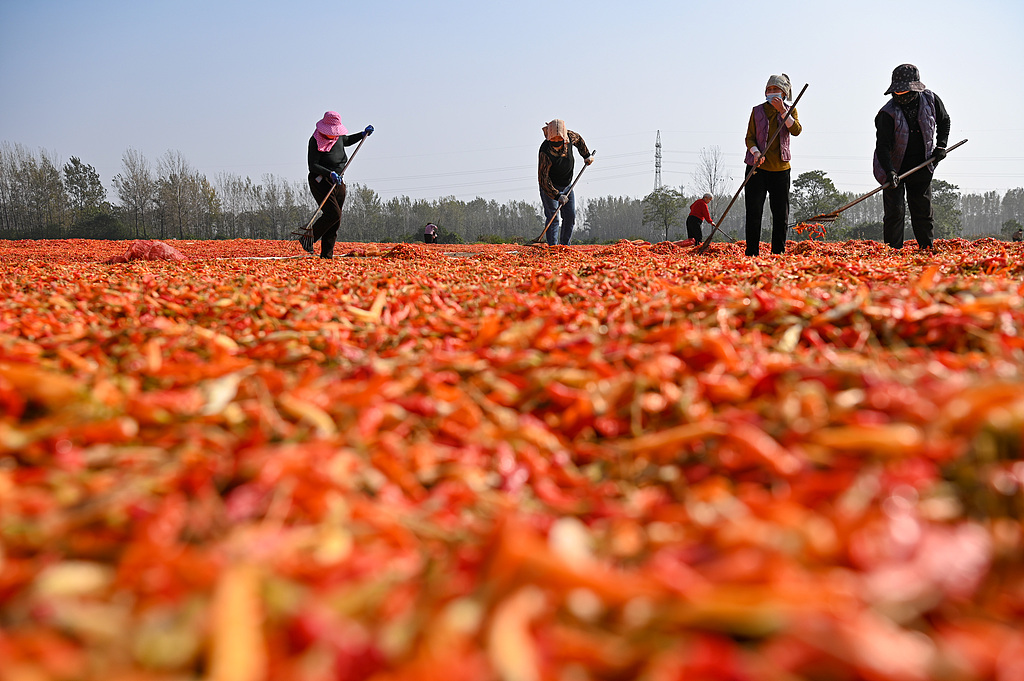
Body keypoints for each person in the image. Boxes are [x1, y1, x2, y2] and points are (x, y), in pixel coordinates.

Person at [873, 64, 951, 251]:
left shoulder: (931, 100)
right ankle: (893, 251)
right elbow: (882, 146)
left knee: (922, 209)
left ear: (916, 88)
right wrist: (890, 171)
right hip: (895, 166)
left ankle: (926, 248)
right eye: (897, 94)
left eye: (905, 92)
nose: (901, 97)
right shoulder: (887, 113)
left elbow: (944, 121)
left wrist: (941, 145)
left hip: (923, 163)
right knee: (895, 211)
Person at [743, 73, 803, 256]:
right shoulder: (757, 111)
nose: (771, 93)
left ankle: (778, 252)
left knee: (780, 214)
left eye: (775, 89)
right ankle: (752, 252)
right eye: (769, 90)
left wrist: (782, 111)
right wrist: (756, 153)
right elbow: (749, 138)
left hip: (780, 170)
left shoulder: (790, 110)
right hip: (757, 168)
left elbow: (796, 130)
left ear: (784, 93)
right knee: (754, 212)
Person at [302, 111, 373, 259]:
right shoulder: (315, 141)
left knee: (336, 219)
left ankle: (327, 255)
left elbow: (346, 140)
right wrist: (330, 173)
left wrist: (362, 134)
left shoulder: (338, 137)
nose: (333, 136)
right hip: (320, 180)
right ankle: (307, 239)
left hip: (338, 180)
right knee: (333, 213)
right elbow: (313, 165)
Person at [538, 119, 593, 246]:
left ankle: (564, 247)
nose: (556, 144)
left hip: (567, 185)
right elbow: (543, 178)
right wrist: (557, 196)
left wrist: (586, 156)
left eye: (559, 141)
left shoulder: (570, 137)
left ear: (564, 139)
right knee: (553, 217)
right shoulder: (544, 151)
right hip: (550, 188)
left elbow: (579, 140)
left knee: (570, 216)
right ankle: (553, 247)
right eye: (553, 141)